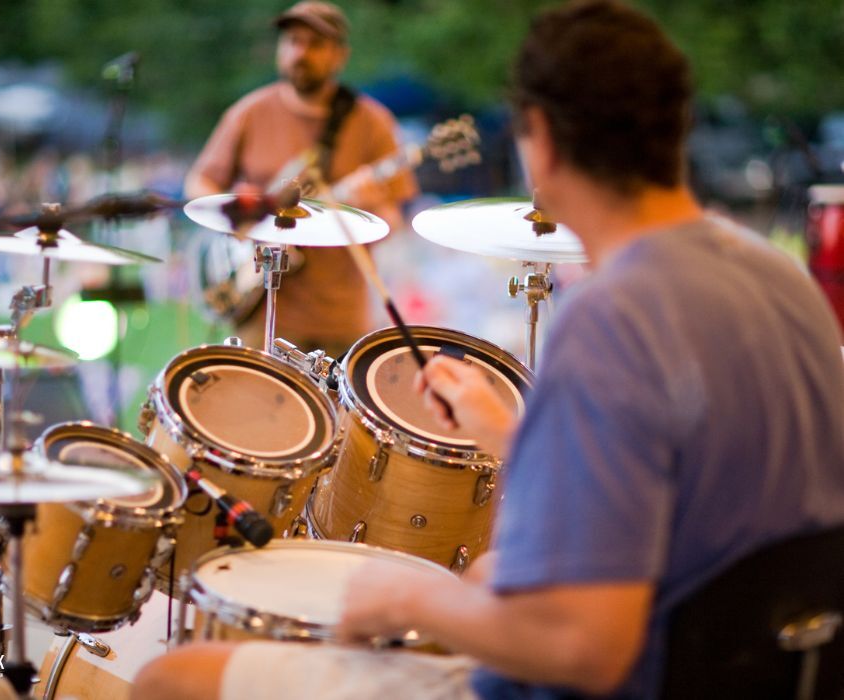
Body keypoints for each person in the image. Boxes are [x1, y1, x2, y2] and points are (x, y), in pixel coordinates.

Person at [133, 1, 844, 698]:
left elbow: (586, 648)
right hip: (770, 667)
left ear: (540, 138)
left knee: (173, 678)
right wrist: (513, 433)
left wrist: (407, 602)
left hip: (636, 676)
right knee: (481, 574)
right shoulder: (780, 278)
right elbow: (686, 479)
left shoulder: (614, 318)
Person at [185, 0, 418, 356]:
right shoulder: (250, 113)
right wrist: (237, 213)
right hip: (261, 312)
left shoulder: (373, 123)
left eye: (315, 43)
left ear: (340, 55)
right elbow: (199, 184)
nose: (300, 52)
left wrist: (371, 205)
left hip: (340, 321)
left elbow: (395, 223)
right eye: (292, 41)